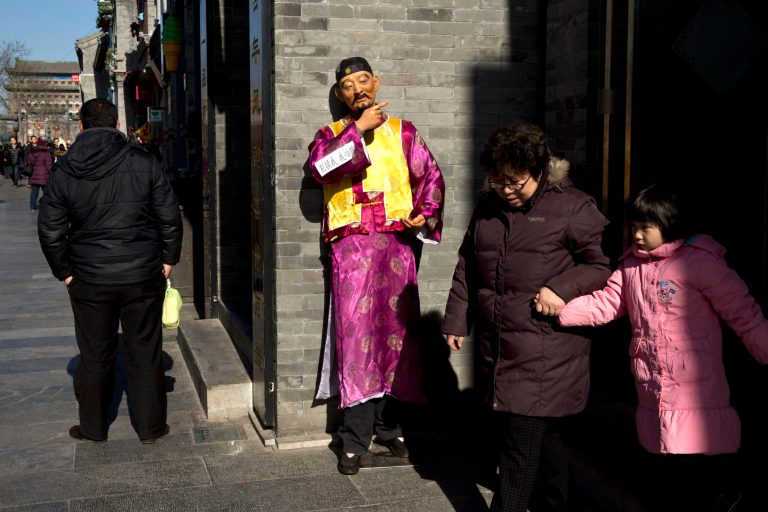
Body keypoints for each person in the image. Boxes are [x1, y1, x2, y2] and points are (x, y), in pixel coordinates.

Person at [558, 184, 768, 510]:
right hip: (652, 382)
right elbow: (606, 303)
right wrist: (562, 311)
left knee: (698, 454)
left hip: (696, 382)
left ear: (669, 224)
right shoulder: (631, 267)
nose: (637, 235)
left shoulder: (699, 262)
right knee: (666, 460)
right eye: (634, 227)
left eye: (646, 228)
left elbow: (742, 311)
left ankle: (720, 495)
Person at [442, 122, 611, 512]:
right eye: (498, 181)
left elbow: (603, 265)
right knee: (545, 441)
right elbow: (469, 264)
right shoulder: (488, 207)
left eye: (517, 182)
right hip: (501, 347)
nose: (507, 190)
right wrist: (456, 318)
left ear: (539, 170)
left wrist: (562, 288)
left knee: (517, 456)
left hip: (547, 349)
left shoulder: (573, 207)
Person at [307, 56, 445, 475]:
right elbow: (319, 169)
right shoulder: (330, 135)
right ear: (339, 95)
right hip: (351, 253)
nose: (357, 90)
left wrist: (425, 210)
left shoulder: (405, 131)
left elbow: (431, 177)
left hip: (397, 248)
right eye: (347, 85)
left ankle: (390, 429)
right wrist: (358, 131)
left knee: (397, 338)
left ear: (377, 82)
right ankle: (353, 438)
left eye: (363, 80)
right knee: (356, 341)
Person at [38, 98, 182, 444]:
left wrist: (66, 273)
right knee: (145, 353)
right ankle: (150, 427)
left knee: (94, 355)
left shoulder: (65, 167)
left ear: (82, 127)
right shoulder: (142, 160)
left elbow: (51, 229)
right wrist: (167, 260)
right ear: (117, 125)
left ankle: (93, 427)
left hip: (89, 277)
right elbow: (169, 216)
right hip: (143, 273)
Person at [26, 138, 53, 210]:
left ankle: (32, 207)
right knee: (47, 192)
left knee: (34, 192)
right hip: (44, 176)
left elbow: (28, 162)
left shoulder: (32, 153)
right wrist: (52, 174)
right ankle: (48, 205)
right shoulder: (46, 154)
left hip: (34, 175)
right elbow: (49, 165)